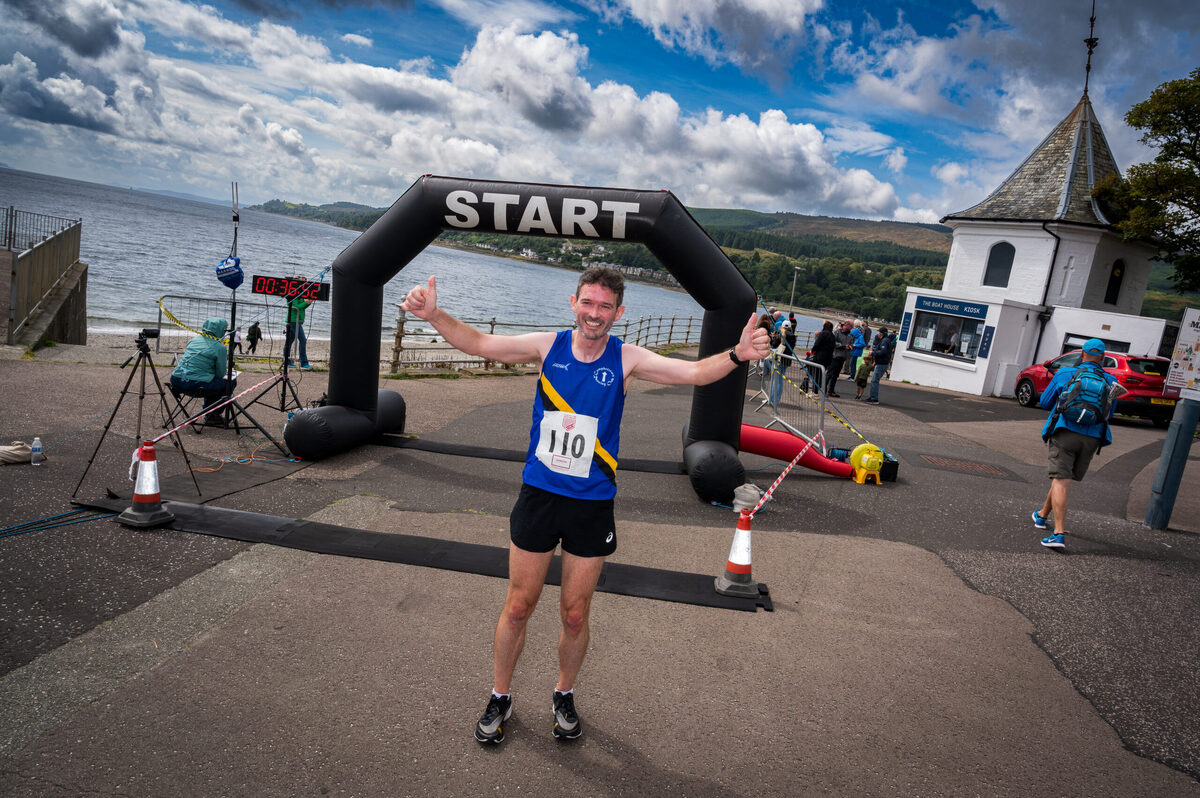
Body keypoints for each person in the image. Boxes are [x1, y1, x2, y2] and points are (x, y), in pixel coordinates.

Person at [400, 265, 770, 745]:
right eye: (588, 303)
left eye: (604, 306)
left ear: (619, 313)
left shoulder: (626, 358)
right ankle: (500, 696)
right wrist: (434, 315)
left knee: (575, 613)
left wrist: (738, 355)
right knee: (518, 606)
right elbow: (479, 344)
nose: (594, 314)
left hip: (591, 503)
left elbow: (696, 372)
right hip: (538, 495)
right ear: (573, 303)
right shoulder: (546, 346)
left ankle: (564, 693)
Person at [1031, 339, 1125, 550]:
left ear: (1082, 354)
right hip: (1092, 438)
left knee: (1061, 481)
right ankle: (1041, 515)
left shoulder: (1065, 374)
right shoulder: (1111, 381)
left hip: (1065, 432)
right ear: (1102, 358)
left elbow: (1045, 402)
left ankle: (1058, 534)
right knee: (1060, 477)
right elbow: (1110, 412)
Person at [169, 317, 236, 424]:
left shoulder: (194, 340)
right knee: (230, 382)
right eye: (224, 330)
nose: (225, 333)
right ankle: (212, 413)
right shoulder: (220, 347)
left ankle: (210, 412)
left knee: (209, 379)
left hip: (176, 381)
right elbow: (220, 374)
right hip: (195, 385)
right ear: (220, 330)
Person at [769, 319, 797, 408]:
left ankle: (772, 400)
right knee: (780, 381)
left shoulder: (780, 334)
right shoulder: (793, 336)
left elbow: (773, 345)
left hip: (778, 359)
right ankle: (775, 400)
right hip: (786, 361)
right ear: (790, 327)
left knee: (775, 380)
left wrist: (773, 337)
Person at [284, 293, 312, 369]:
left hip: (297, 321)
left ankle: (286, 362)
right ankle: (304, 364)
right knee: (302, 340)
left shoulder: (301, 294)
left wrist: (308, 303)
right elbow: (296, 307)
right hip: (293, 321)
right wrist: (305, 302)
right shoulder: (292, 295)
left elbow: (302, 307)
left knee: (289, 341)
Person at [866, 326, 893, 404]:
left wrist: (873, 353)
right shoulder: (886, 340)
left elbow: (883, 352)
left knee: (874, 381)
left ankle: (874, 399)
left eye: (879, 332)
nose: (877, 333)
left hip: (882, 364)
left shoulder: (884, 341)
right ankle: (872, 397)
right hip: (881, 363)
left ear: (881, 333)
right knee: (874, 380)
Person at [827, 319, 853, 397]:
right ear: (846, 324)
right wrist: (842, 346)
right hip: (835, 356)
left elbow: (851, 343)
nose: (852, 328)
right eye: (851, 326)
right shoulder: (837, 331)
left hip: (843, 357)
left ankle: (831, 391)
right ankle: (824, 389)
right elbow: (832, 342)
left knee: (836, 375)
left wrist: (850, 346)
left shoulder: (850, 335)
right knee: (829, 374)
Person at [809, 320, 835, 395]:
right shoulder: (832, 336)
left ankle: (814, 391)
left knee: (816, 374)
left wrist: (812, 351)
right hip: (828, 357)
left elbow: (817, 344)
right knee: (821, 374)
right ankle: (816, 389)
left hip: (820, 356)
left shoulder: (823, 334)